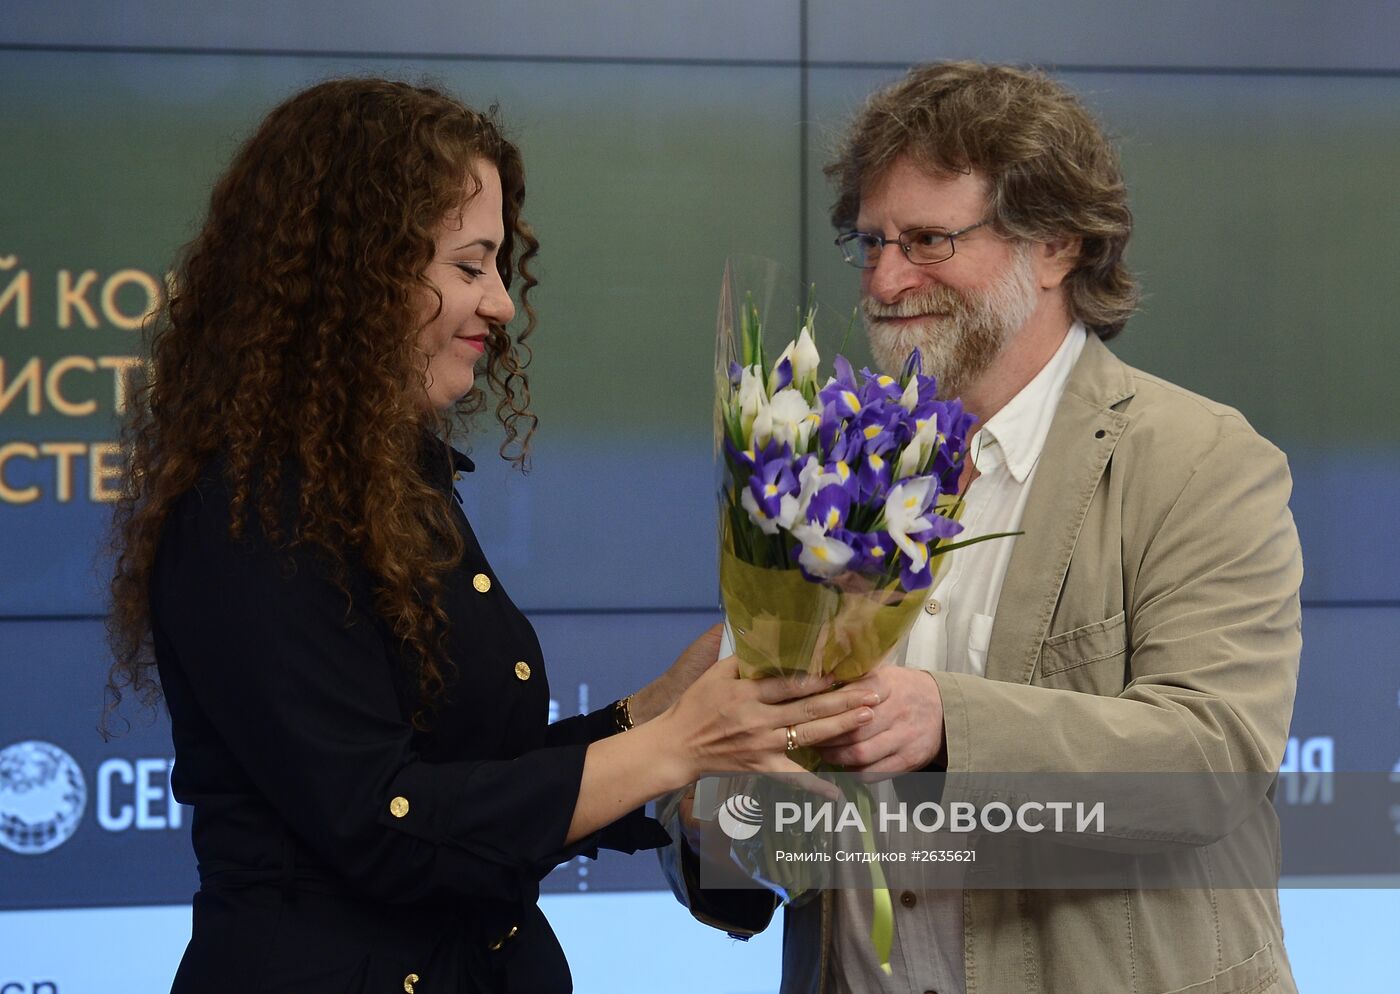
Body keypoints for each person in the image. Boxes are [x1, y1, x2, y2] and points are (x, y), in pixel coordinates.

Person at [103, 78, 880, 994]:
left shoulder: (387, 482)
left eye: (500, 268)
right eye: (470, 267)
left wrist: (656, 711)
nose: (504, 305)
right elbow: (386, 823)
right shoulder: (252, 507)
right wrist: (674, 750)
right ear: (360, 274)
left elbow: (471, 785)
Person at [662, 61, 1302, 994]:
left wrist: (943, 722)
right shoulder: (828, 460)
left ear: (1057, 248)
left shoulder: (1200, 460)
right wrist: (719, 802)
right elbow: (782, 847)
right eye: (870, 241)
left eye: (928, 239)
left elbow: (1213, 761)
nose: (885, 278)